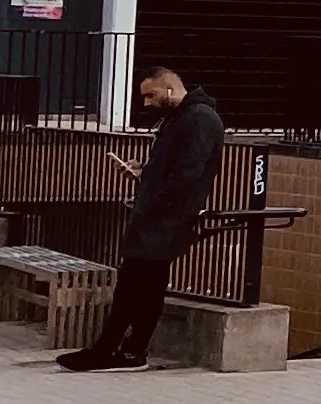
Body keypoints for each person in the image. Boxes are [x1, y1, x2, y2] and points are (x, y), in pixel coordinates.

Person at [60, 66, 223, 373]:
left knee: (134, 285)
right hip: (160, 217)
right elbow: (175, 169)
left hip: (165, 220)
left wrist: (158, 204)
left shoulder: (198, 119)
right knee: (144, 287)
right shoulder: (182, 119)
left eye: (152, 95)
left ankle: (112, 351)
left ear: (170, 89)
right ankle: (128, 351)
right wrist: (143, 174)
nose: (147, 103)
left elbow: (188, 173)